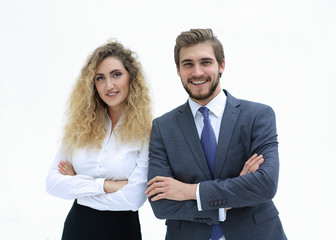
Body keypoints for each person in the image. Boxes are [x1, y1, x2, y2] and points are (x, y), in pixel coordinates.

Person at [146, 29, 286, 240]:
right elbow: (161, 203)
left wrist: (189, 191)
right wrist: (231, 197)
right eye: (188, 64)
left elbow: (265, 185)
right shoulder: (163, 127)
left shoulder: (258, 116)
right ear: (178, 70)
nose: (197, 72)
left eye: (205, 62)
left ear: (221, 65)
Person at [46, 40, 152, 240]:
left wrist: (78, 185)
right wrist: (107, 185)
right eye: (100, 78)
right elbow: (52, 183)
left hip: (123, 231)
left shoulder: (148, 131)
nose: (108, 85)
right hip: (78, 229)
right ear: (92, 84)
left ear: (132, 77)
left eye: (116, 75)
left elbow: (134, 198)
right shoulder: (79, 126)